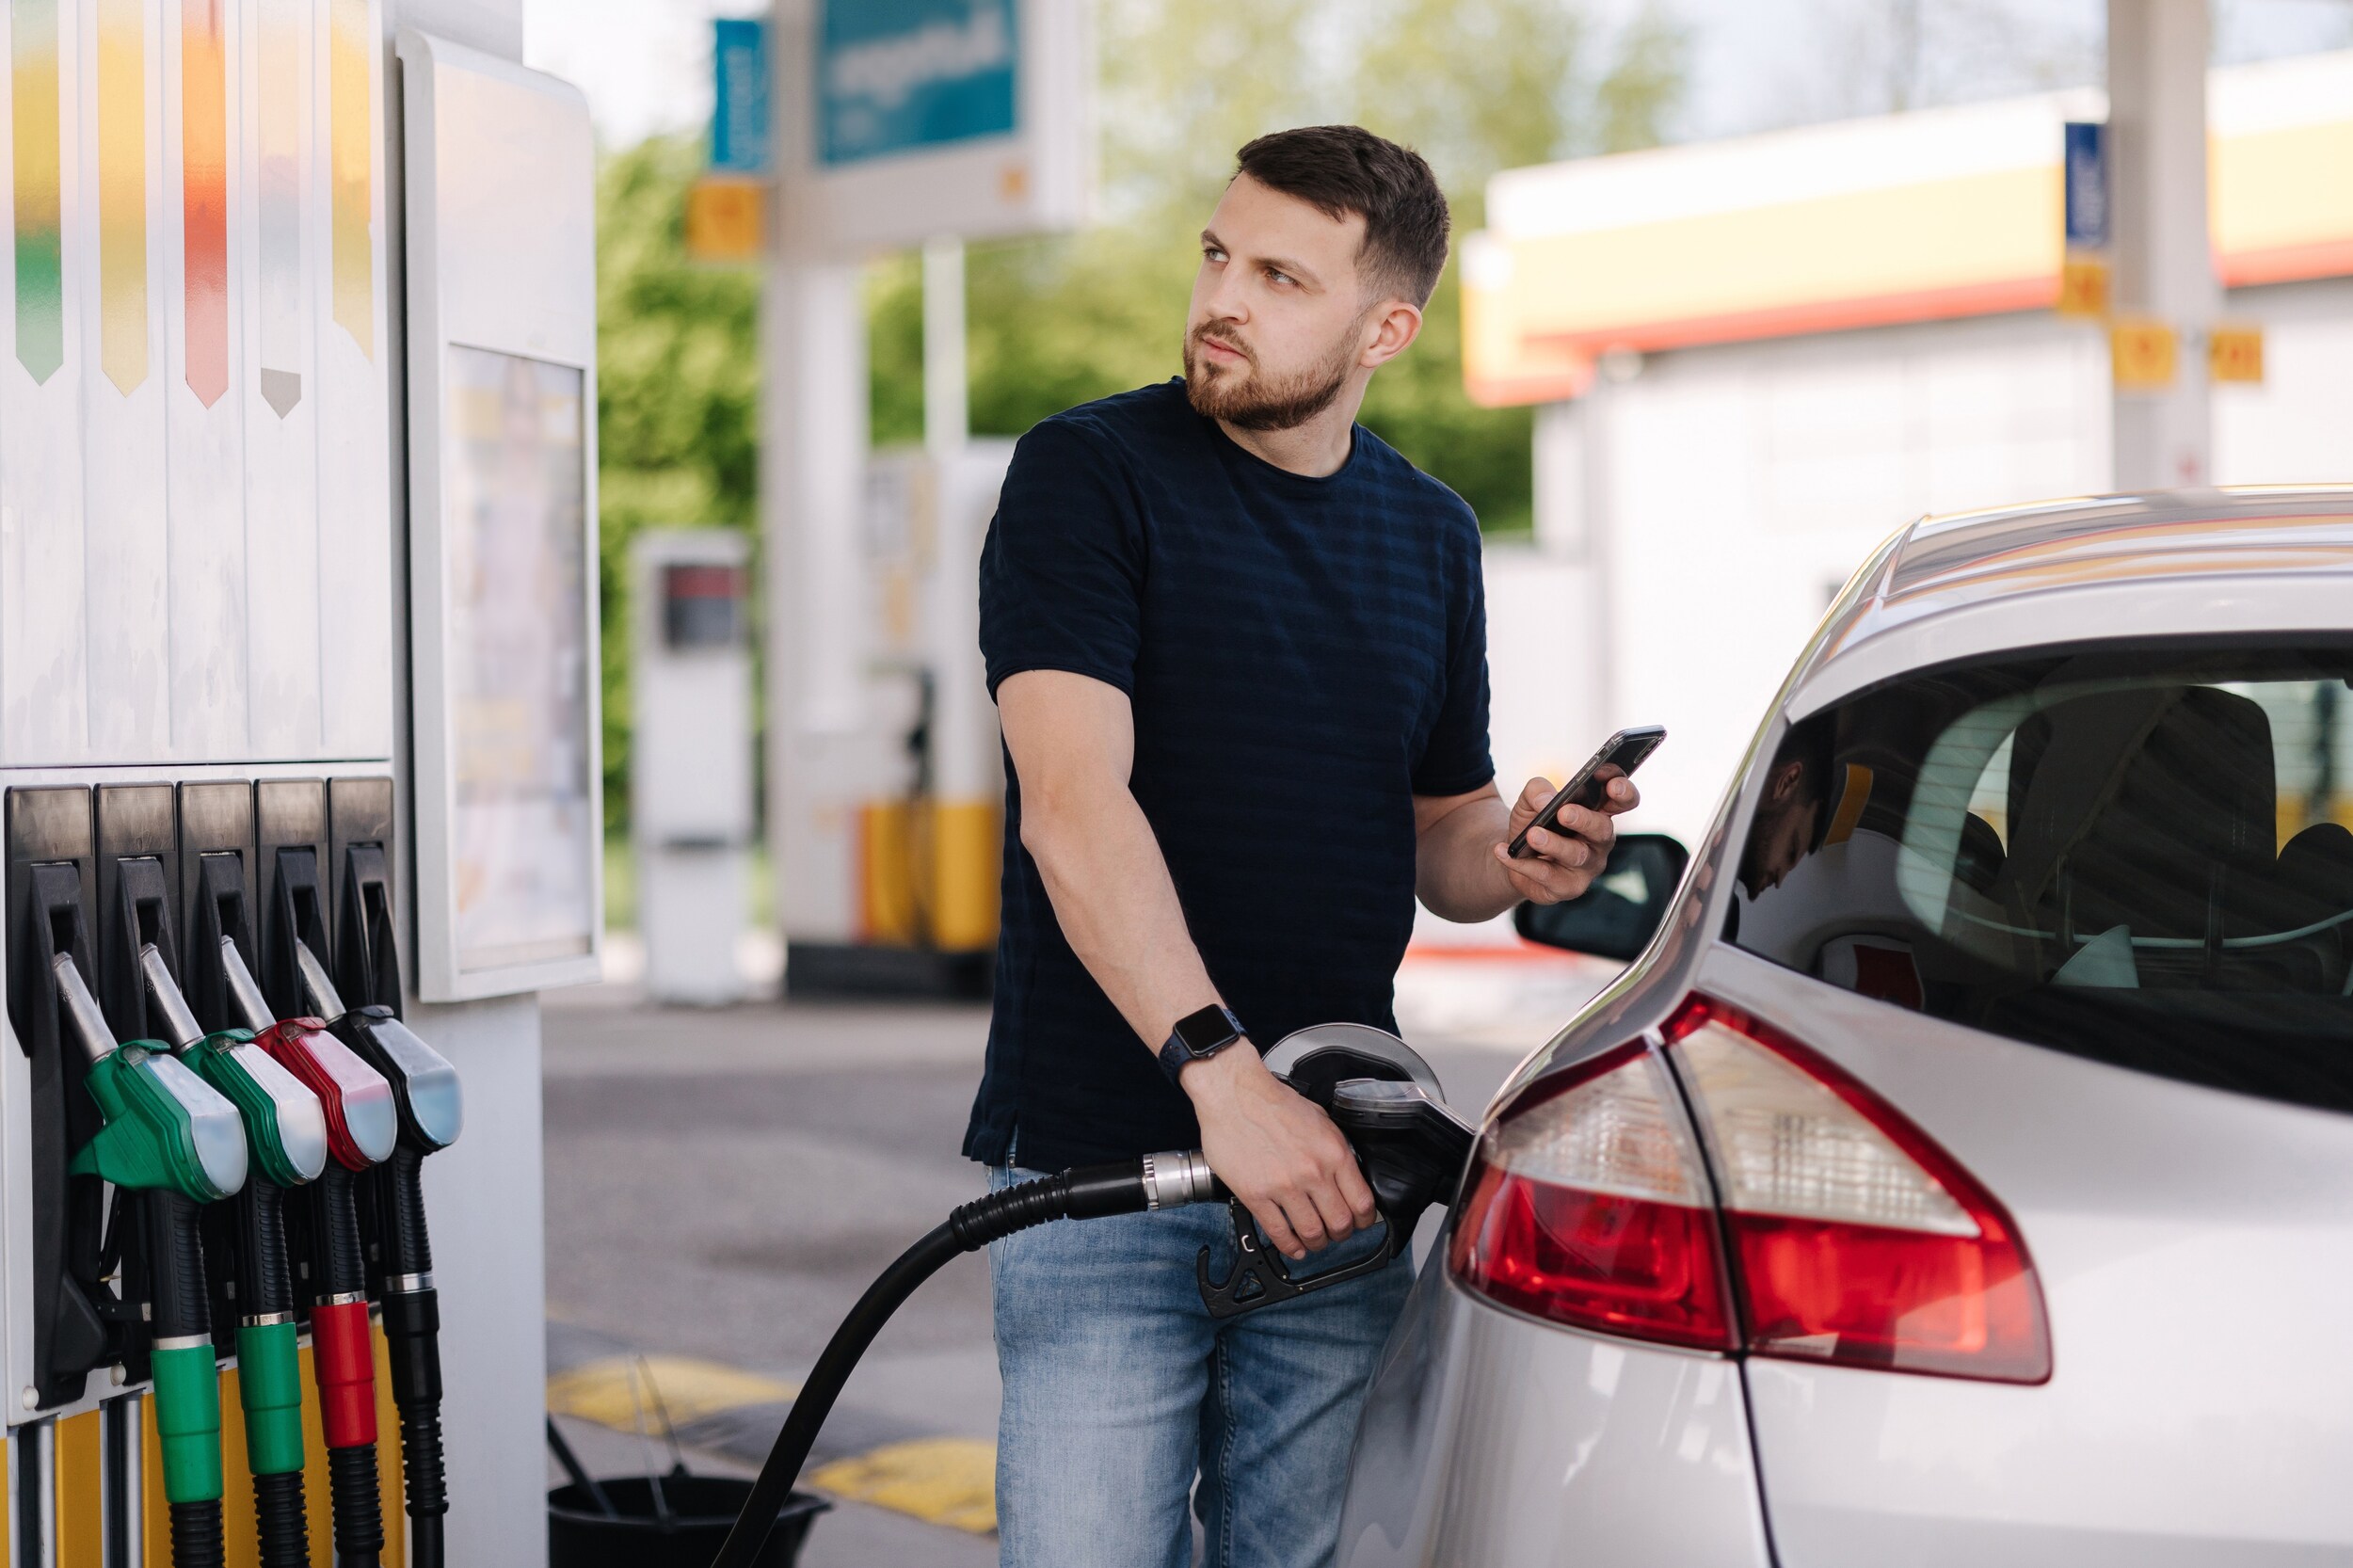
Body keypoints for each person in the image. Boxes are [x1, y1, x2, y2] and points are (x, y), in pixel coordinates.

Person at [968, 124, 1638, 1568]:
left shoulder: (1431, 534)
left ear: (1385, 330)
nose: (1224, 298)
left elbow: (1443, 832)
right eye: (1220, 255)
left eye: (1281, 276)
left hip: (1340, 1167)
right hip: (1105, 1168)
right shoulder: (1088, 475)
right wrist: (1224, 1082)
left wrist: (1520, 857)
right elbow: (1073, 804)